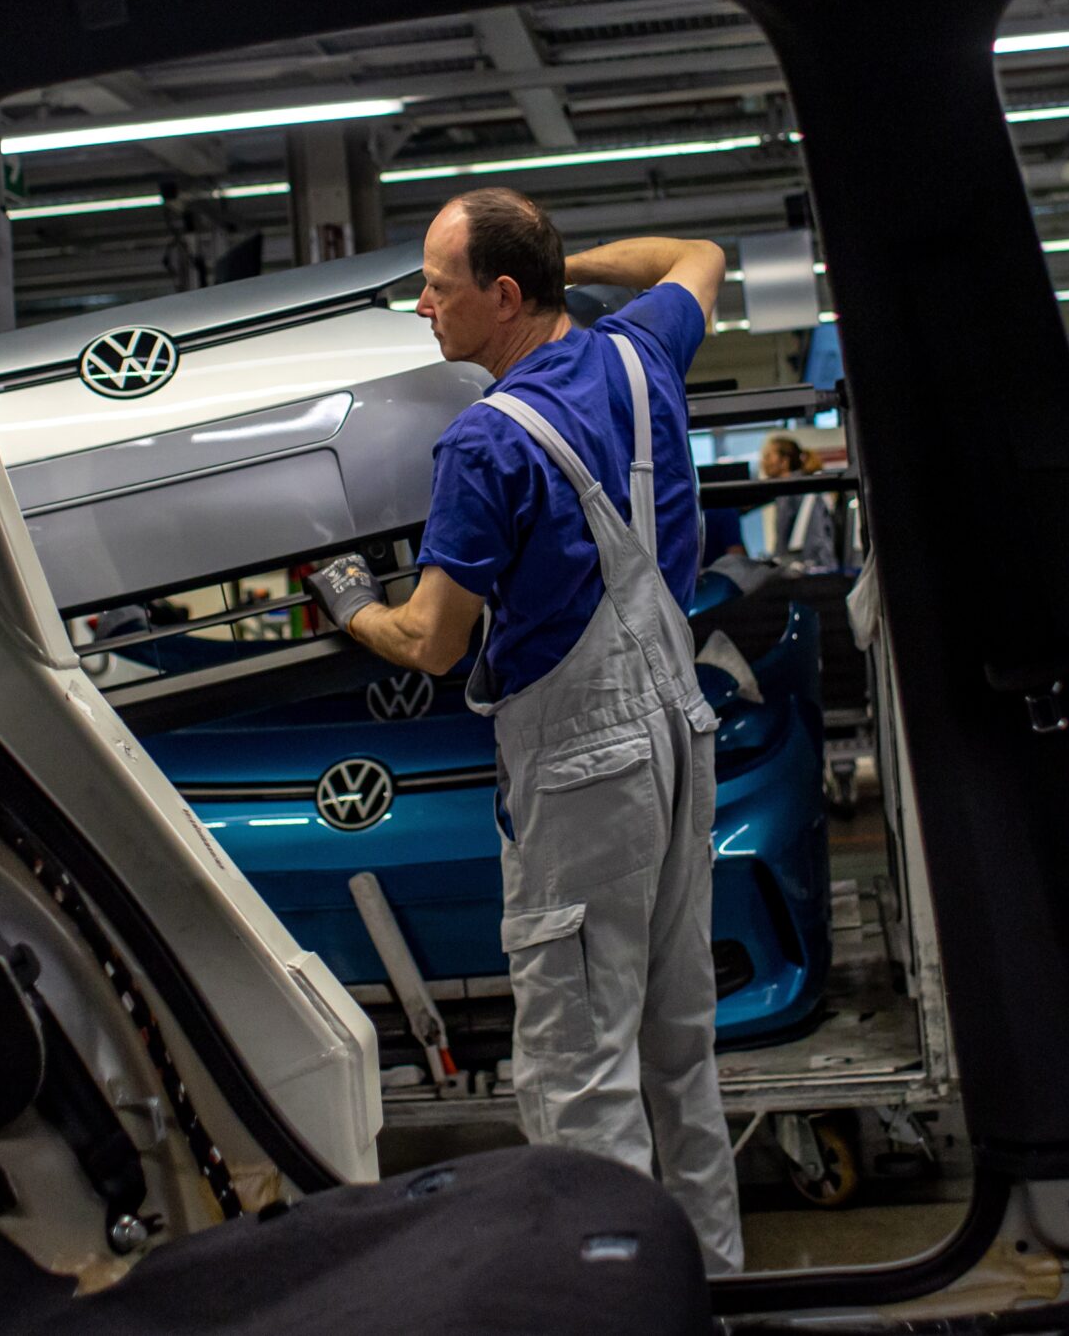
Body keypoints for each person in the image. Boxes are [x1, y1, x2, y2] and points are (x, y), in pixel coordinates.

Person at [302, 188, 744, 1274]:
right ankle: (712, 1288)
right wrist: (563, 264)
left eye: (438, 288)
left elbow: (434, 641)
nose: (420, 307)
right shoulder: (643, 350)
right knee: (676, 1051)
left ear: (501, 297)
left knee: (578, 1067)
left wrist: (347, 598)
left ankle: (606, 1304)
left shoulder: (483, 446)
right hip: (681, 733)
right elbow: (699, 250)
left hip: (586, 762)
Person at [756, 434, 838, 572]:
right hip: (821, 563)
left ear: (784, 461)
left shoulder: (789, 489)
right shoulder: (806, 484)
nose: (763, 461)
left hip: (805, 566)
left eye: (769, 456)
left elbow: (782, 537)